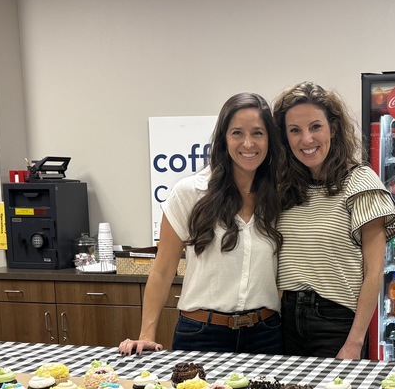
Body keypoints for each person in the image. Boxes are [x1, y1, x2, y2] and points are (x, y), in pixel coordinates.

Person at [118, 92, 285, 356]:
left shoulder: (279, 197)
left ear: (269, 140)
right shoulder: (190, 193)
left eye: (258, 133)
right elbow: (163, 270)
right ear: (223, 139)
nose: (248, 143)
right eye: (237, 133)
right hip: (202, 335)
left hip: (265, 335)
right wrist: (146, 335)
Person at [273, 81, 395, 359]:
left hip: (335, 323)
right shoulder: (286, 188)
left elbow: (374, 272)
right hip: (285, 320)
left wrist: (355, 342)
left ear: (333, 128)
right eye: (294, 130)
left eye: (315, 127)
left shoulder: (361, 183)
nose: (306, 139)